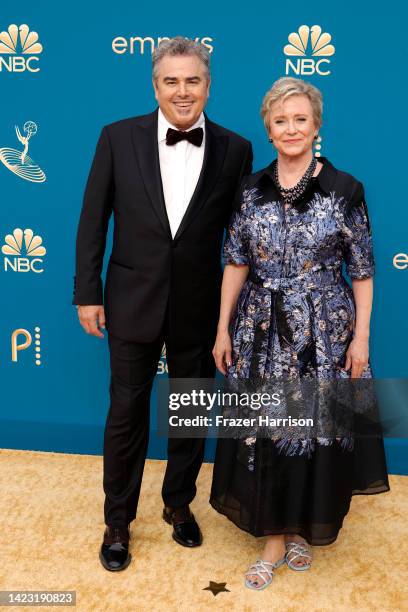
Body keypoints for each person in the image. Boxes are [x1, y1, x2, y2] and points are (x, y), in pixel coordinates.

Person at [72, 36, 253, 571]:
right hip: (131, 299)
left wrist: (234, 317)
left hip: (198, 307)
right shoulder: (117, 138)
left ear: (208, 85)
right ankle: (117, 521)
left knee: (190, 413)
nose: (182, 91)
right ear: (155, 85)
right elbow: (92, 219)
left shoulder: (235, 148)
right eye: (171, 81)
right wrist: (88, 293)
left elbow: (242, 240)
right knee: (126, 414)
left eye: (192, 80)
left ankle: (179, 505)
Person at [210, 76, 389, 590]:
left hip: (325, 330)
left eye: (300, 119)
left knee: (312, 429)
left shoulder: (345, 189)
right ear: (268, 129)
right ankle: (273, 537)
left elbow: (362, 269)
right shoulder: (249, 190)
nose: (291, 128)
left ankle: (302, 530)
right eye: (281, 120)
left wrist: (361, 339)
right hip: (259, 328)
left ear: (317, 126)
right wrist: (222, 329)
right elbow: (237, 262)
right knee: (268, 429)